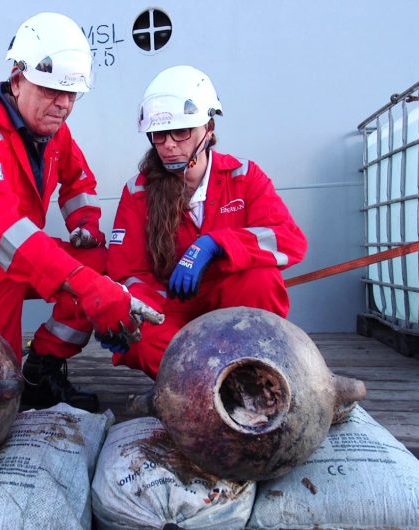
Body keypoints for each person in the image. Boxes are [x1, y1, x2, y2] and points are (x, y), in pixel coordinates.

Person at [0, 12, 160, 412]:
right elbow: (6, 233)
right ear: (18, 79)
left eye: (72, 95)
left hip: (24, 255)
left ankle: (43, 367)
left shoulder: (53, 131)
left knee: (99, 262)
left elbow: (78, 180)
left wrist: (84, 224)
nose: (64, 105)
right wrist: (89, 288)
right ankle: (11, 380)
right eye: (52, 91)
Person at [104, 65, 308, 379]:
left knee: (261, 280)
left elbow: (289, 240)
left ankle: (245, 371)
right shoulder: (138, 191)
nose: (169, 144)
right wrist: (144, 308)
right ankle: (218, 386)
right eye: (159, 134)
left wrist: (215, 245)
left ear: (208, 129)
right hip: (171, 309)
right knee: (141, 338)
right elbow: (126, 272)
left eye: (181, 132)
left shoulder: (243, 176)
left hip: (230, 304)